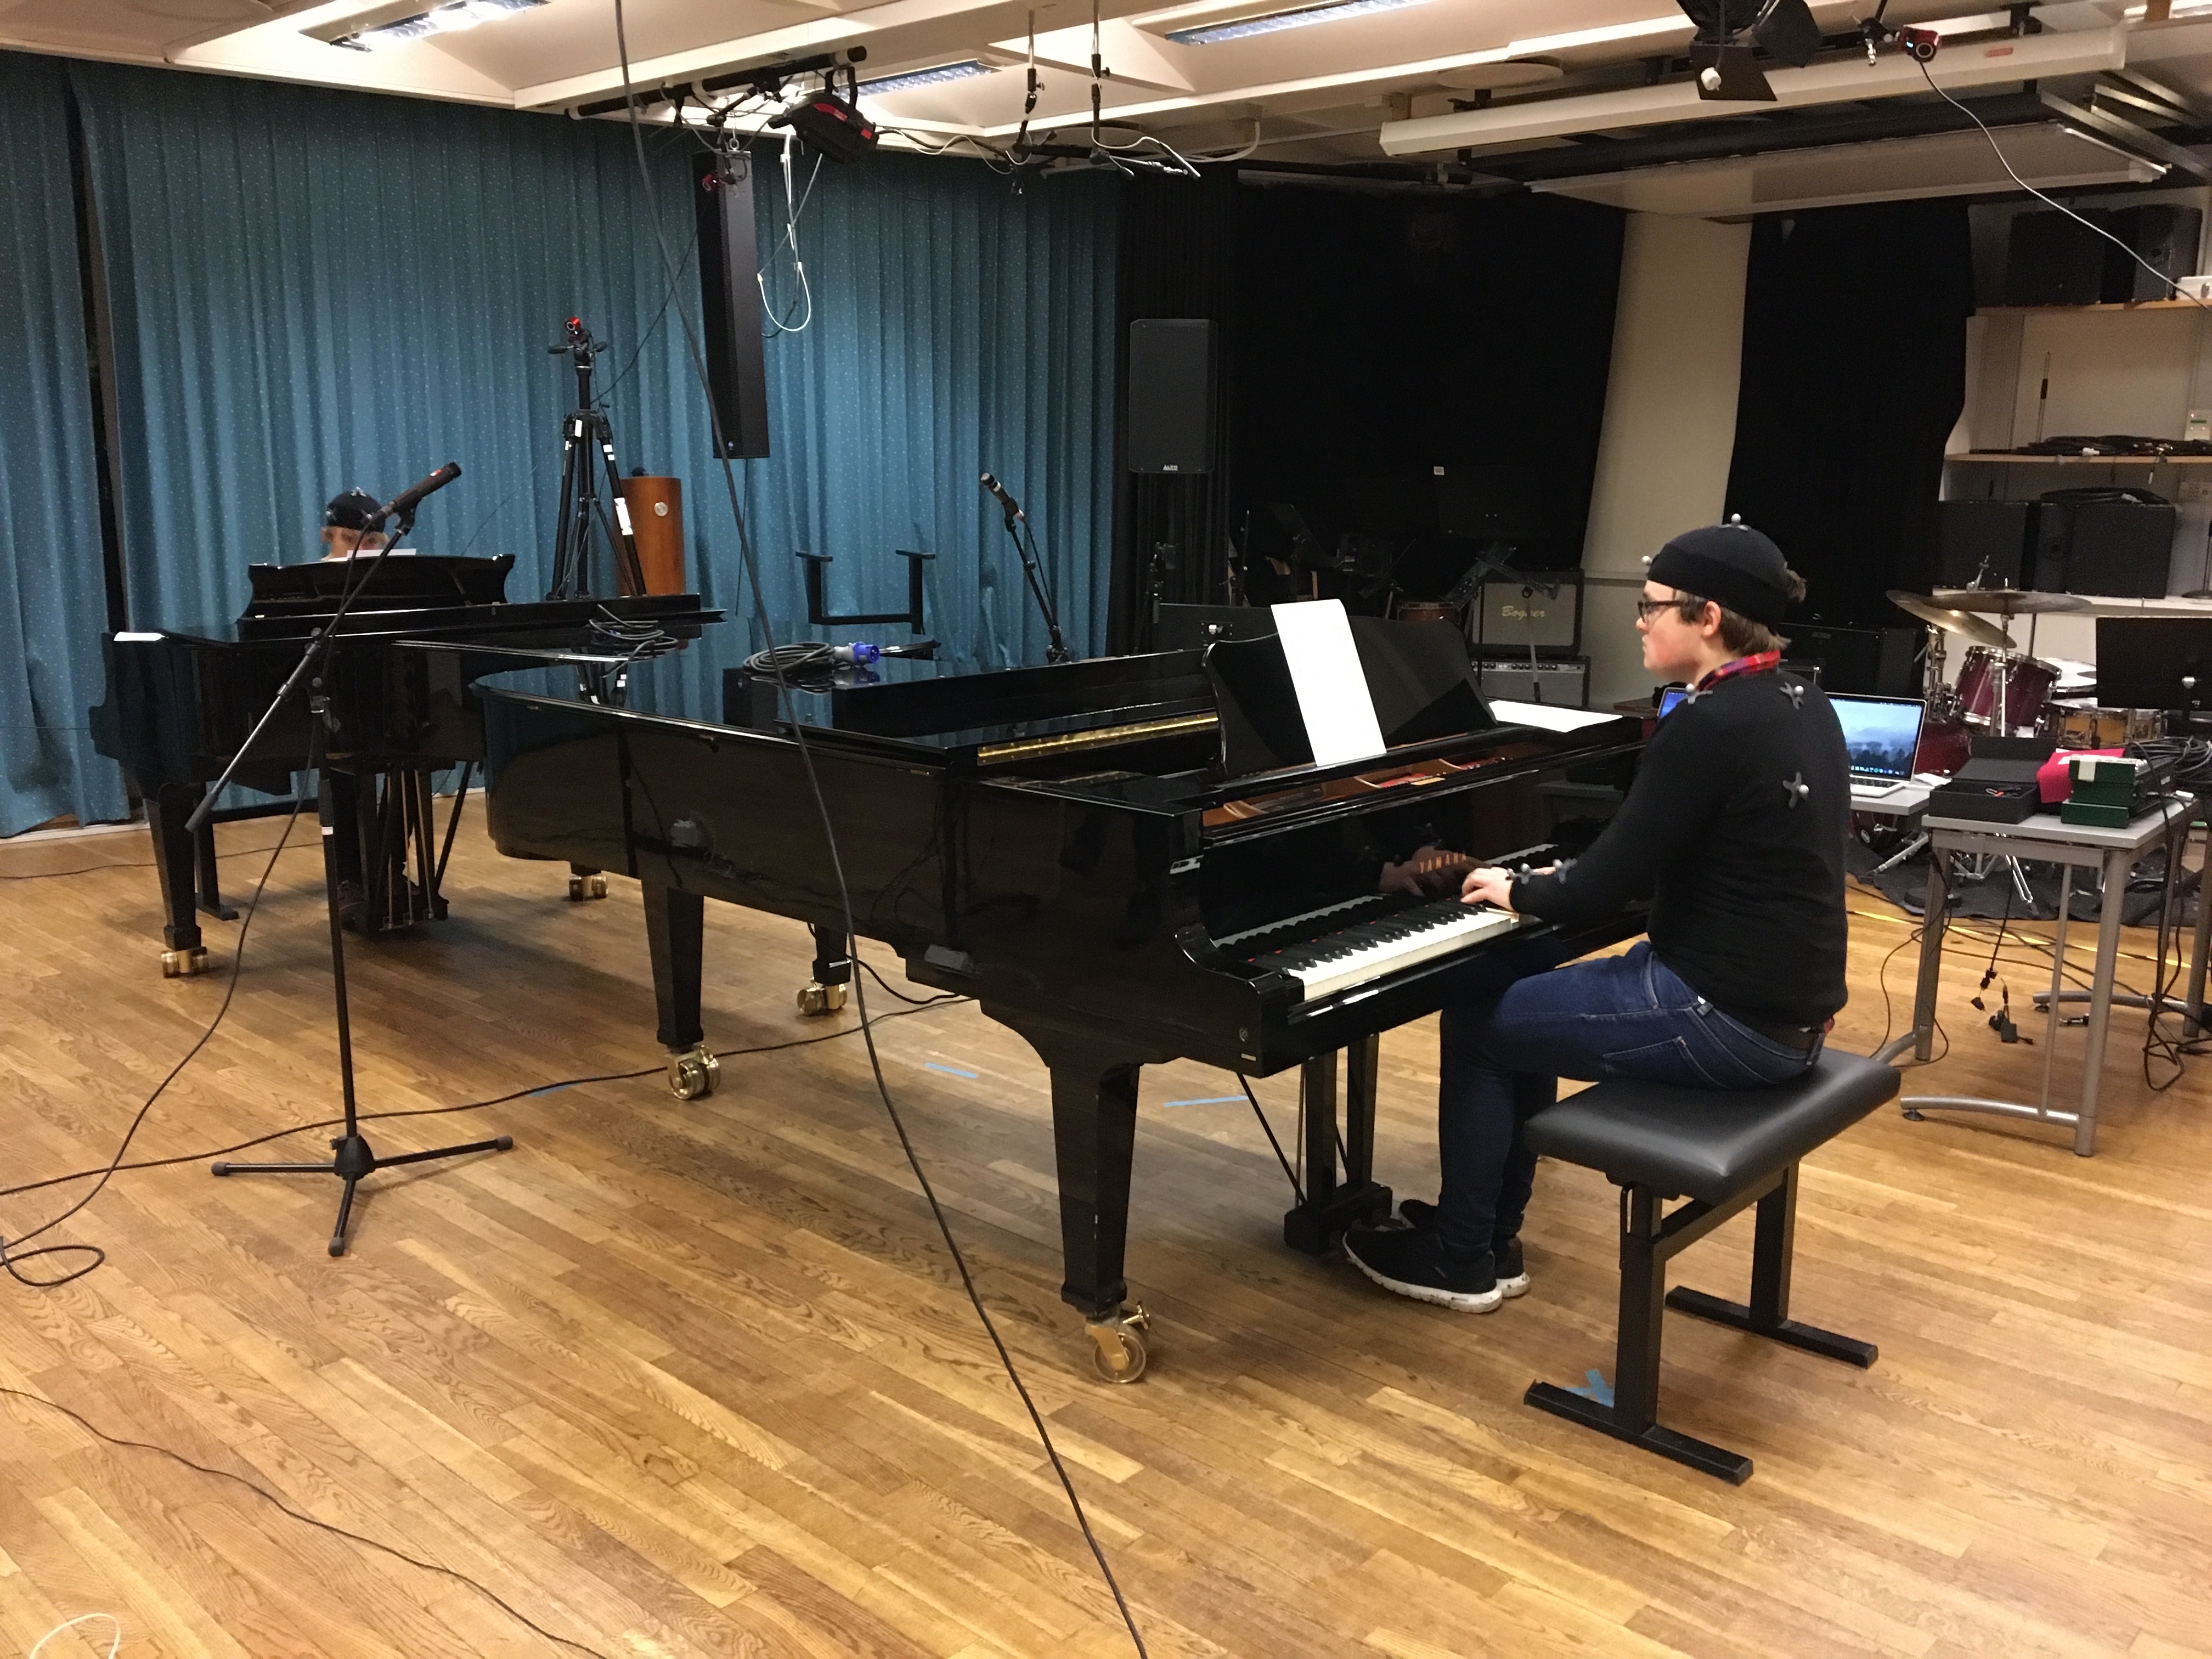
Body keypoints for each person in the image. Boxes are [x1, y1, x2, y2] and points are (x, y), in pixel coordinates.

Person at [1342, 519, 1850, 1313]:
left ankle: (1461, 1256)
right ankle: (1489, 1234)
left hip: (1724, 1019)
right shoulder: (1799, 699)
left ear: (1707, 617)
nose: (1640, 621)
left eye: (1652, 607)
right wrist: (1554, 880)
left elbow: (1604, 886)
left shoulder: (1708, 723)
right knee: (1518, 981)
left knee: (1478, 1019)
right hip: (1788, 1013)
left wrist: (1520, 888)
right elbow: (1657, 856)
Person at [318, 488, 387, 561]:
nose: (360, 551)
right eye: (350, 539)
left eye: (371, 541)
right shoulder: (312, 572)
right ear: (330, 536)